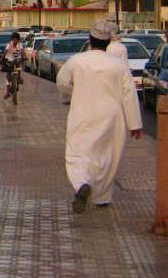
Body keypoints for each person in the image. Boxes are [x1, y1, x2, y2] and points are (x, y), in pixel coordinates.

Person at [57, 21, 142, 213]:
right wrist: (135, 124)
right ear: (108, 43)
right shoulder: (119, 65)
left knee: (78, 152)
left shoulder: (77, 60)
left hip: (82, 112)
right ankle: (101, 197)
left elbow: (62, 82)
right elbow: (129, 94)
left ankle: (81, 185)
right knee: (107, 155)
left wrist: (69, 96)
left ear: (90, 40)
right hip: (112, 116)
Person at [1, 32, 24, 100]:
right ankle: (7, 92)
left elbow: (22, 52)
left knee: (19, 65)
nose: (15, 41)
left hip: (17, 60)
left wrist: (24, 57)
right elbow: (5, 52)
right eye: (14, 39)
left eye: (17, 39)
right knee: (7, 77)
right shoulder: (9, 45)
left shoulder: (20, 45)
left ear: (18, 40)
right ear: (12, 39)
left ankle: (19, 77)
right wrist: (2, 58)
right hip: (9, 61)